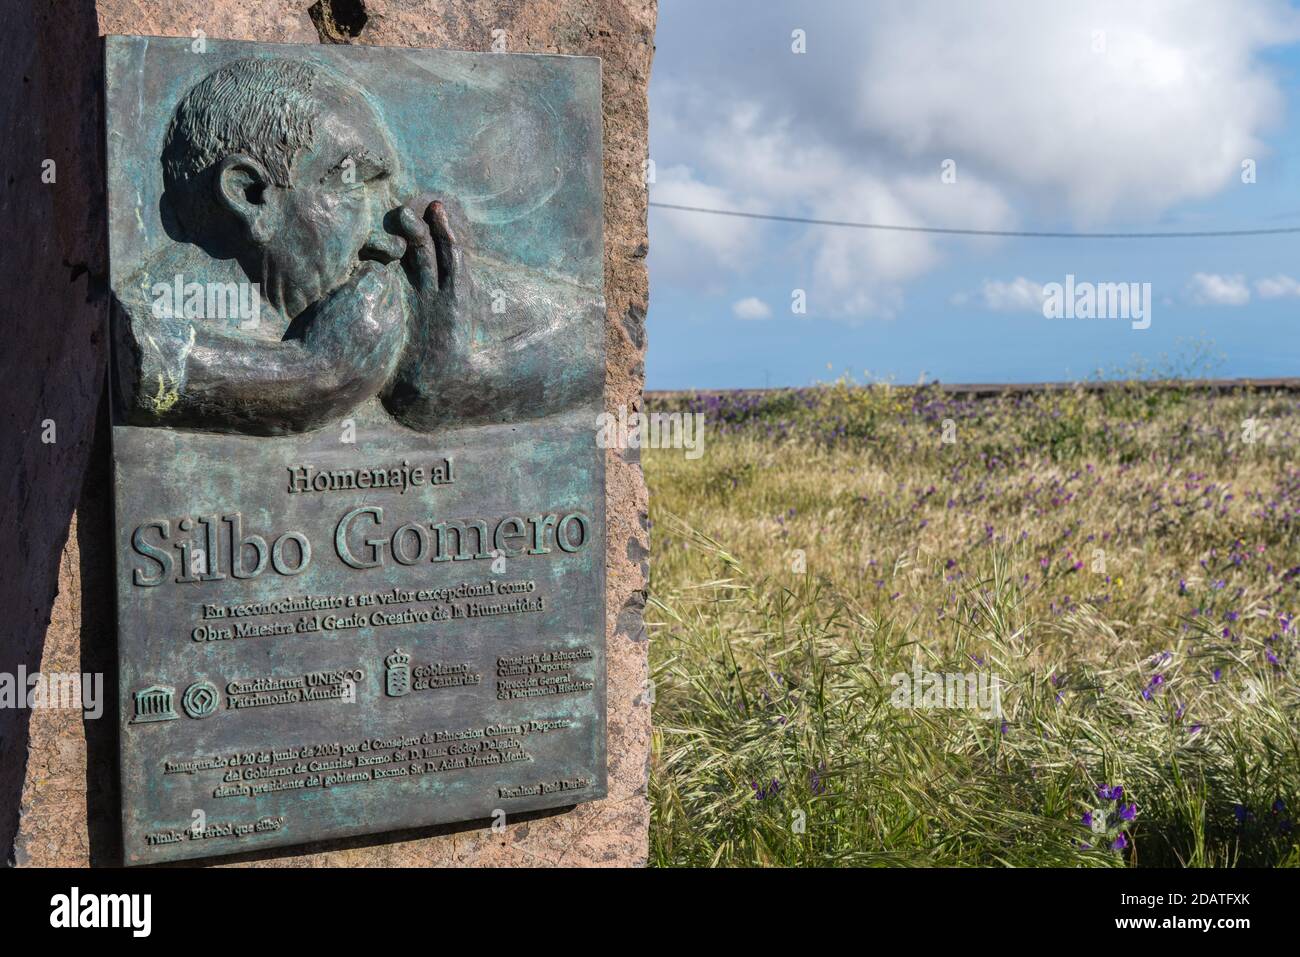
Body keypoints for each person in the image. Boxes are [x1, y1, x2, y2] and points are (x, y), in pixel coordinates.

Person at [114, 56, 602, 436]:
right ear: (250, 195)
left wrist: (473, 377)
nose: (388, 236)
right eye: (354, 184)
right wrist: (314, 377)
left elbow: (594, 333)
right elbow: (146, 365)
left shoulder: (398, 277)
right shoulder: (155, 311)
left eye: (384, 190)